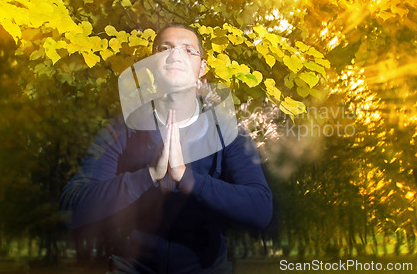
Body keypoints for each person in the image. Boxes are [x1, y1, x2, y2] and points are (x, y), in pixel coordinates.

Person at [60, 23, 273, 274]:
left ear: (202, 68)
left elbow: (261, 209)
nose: (176, 55)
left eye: (188, 50)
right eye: (166, 48)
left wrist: (188, 178)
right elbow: (72, 205)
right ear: (151, 63)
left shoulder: (228, 133)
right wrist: (148, 175)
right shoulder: (120, 131)